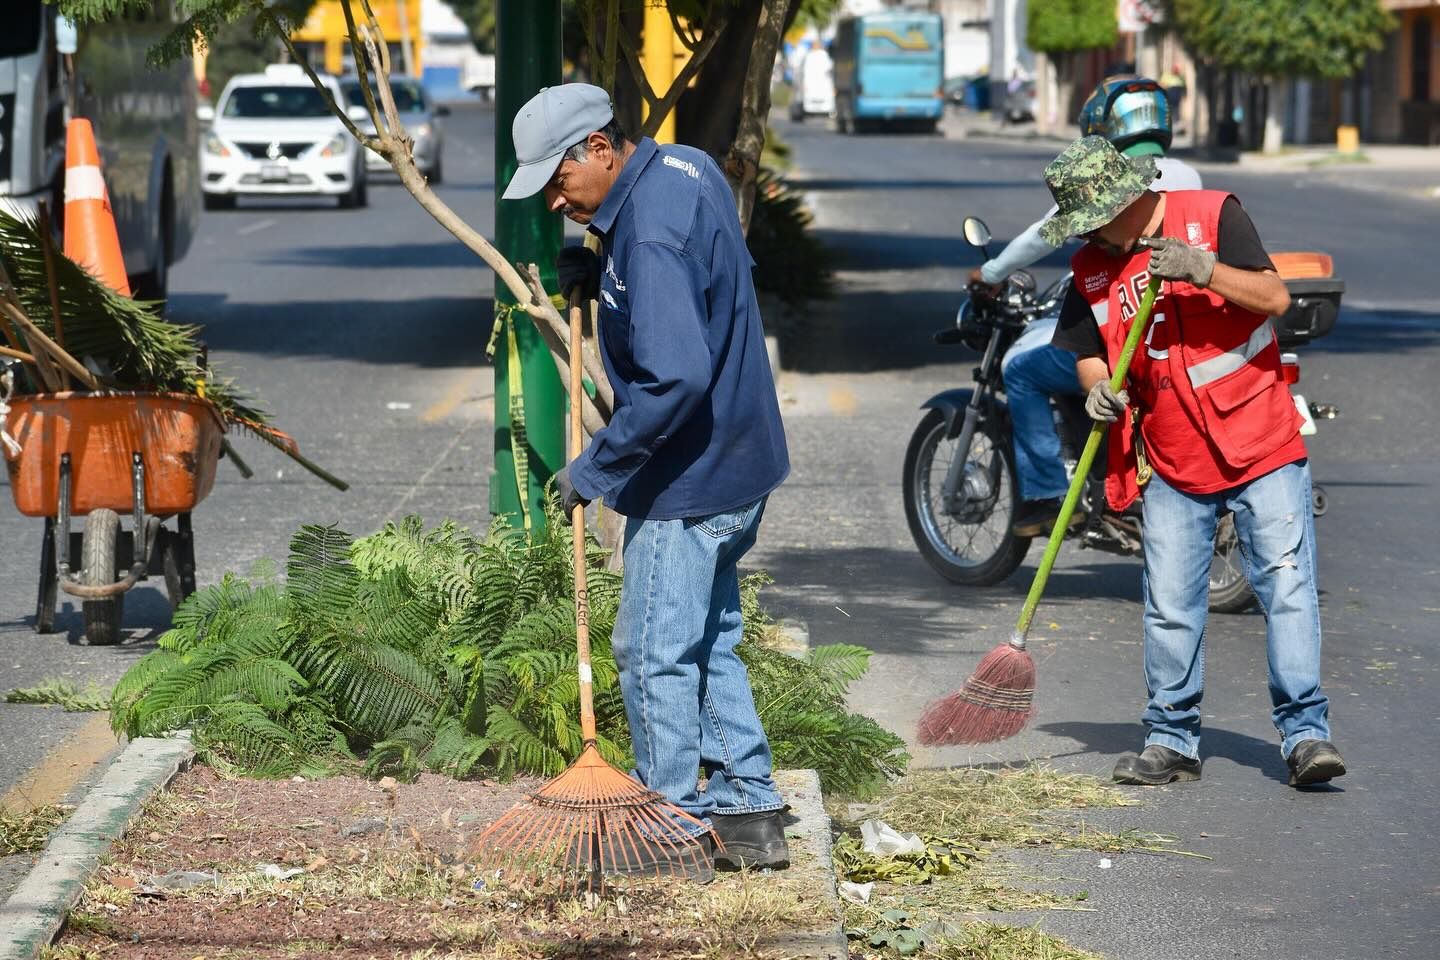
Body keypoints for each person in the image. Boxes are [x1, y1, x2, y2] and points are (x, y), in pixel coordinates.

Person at [501, 84, 792, 879]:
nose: (554, 200)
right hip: (740, 459)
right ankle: (748, 809)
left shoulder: (652, 235)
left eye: (558, 180)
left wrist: (596, 468)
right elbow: (712, 283)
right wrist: (602, 265)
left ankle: (668, 827)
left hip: (689, 478)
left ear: (599, 147)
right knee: (707, 638)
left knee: (653, 651)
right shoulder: (684, 169)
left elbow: (675, 377)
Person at [1038, 135, 1346, 789]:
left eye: (1090, 219)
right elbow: (1089, 352)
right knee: (1171, 604)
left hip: (1261, 441)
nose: (1086, 233)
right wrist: (1098, 387)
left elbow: (1274, 298)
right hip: (1174, 456)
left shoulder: (1212, 215)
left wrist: (1202, 268)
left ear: (1120, 201)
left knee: (1287, 590)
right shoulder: (1091, 270)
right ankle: (1171, 740)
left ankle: (1305, 736)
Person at [968, 77, 1202, 537]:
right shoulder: (1186, 175)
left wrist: (992, 273)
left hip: (1134, 334)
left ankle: (1047, 497)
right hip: (1176, 325)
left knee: (1022, 369)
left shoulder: (1104, 183)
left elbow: (1043, 235)